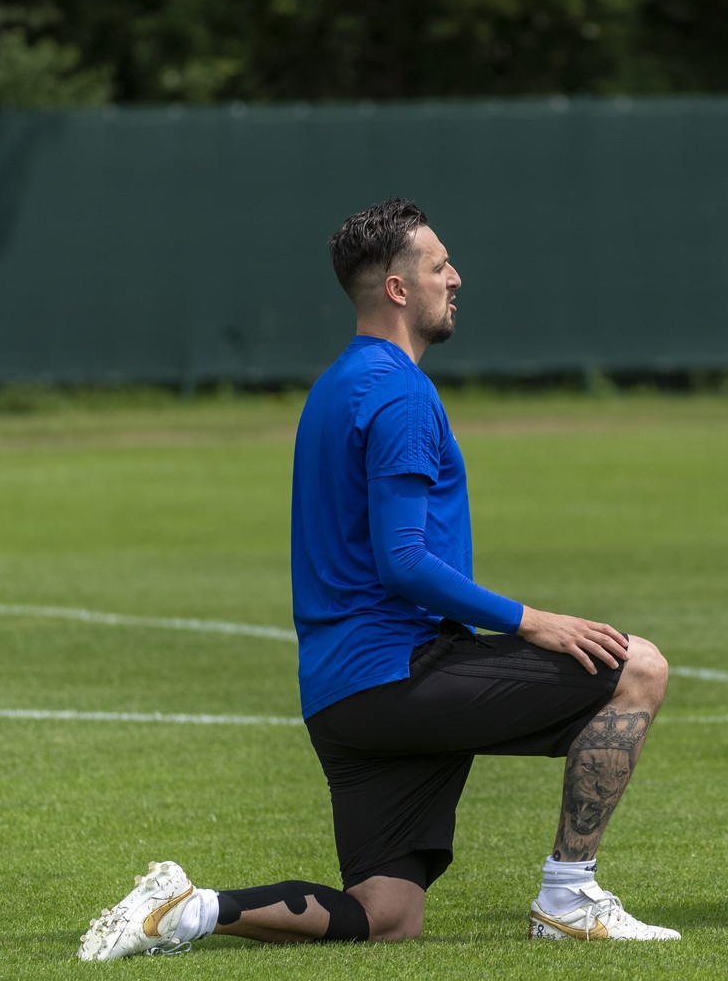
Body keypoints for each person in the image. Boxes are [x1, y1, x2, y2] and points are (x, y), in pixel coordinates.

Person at [78, 198, 679, 960]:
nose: (455, 278)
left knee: (387, 915)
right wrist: (531, 620)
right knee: (638, 667)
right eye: (438, 266)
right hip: (400, 676)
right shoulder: (398, 392)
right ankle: (569, 896)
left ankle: (188, 910)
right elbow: (403, 561)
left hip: (340, 698)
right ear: (398, 289)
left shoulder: (336, 384)